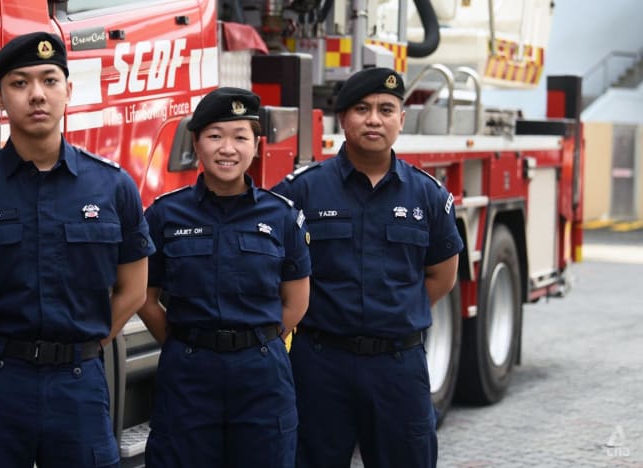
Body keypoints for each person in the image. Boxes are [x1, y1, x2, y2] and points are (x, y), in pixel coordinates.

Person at [0, 31, 155, 468]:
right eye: (20, 83)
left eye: (49, 80)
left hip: (78, 386)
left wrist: (86, 342)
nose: (37, 95)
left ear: (69, 89)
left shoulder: (113, 187)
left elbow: (134, 288)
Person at [273, 67, 464, 468]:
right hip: (321, 364)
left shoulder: (427, 195)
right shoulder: (301, 191)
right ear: (343, 118)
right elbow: (274, 271)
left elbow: (442, 277)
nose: (374, 119)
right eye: (362, 109)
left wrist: (391, 315)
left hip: (398, 367)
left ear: (402, 119)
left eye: (386, 109)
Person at [136, 87, 311, 468]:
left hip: (261, 374)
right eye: (215, 136)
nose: (227, 148)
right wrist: (185, 343)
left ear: (257, 144)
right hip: (189, 373)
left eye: (240, 137)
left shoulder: (281, 216)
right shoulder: (165, 215)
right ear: (196, 142)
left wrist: (254, 342)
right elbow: (145, 297)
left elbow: (296, 301)